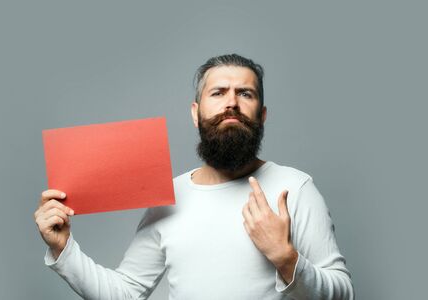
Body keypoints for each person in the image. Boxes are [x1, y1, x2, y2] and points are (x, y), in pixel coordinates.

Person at [34, 54, 354, 299]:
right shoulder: (170, 195)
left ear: (263, 115)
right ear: (195, 113)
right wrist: (64, 249)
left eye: (245, 94)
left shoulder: (295, 188)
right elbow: (126, 292)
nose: (232, 103)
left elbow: (344, 292)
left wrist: (286, 258)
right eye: (218, 93)